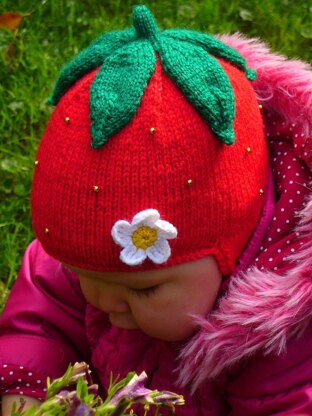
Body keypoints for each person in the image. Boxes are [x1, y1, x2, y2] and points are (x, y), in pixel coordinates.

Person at [1, 5, 311, 415]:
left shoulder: (284, 340)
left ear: (231, 249)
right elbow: (41, 316)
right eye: (82, 274)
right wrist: (27, 389)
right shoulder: (94, 257)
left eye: (142, 288)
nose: (105, 301)